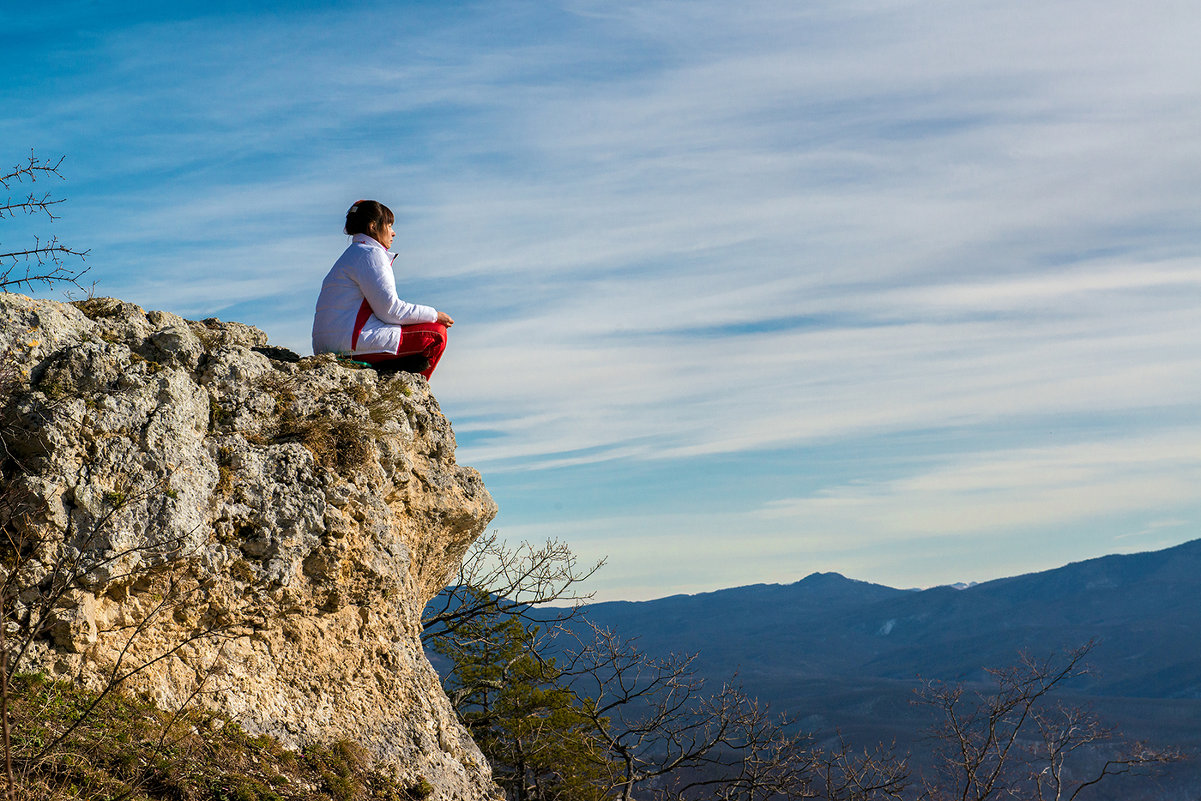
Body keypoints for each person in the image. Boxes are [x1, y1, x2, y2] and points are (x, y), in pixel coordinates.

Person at [312, 200, 454, 380]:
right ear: (373, 226)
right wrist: (434, 315)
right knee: (436, 333)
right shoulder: (371, 254)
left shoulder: (351, 254)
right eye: (389, 225)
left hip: (327, 344)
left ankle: (392, 366)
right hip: (349, 343)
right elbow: (390, 310)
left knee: (415, 329)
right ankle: (418, 389)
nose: (393, 232)